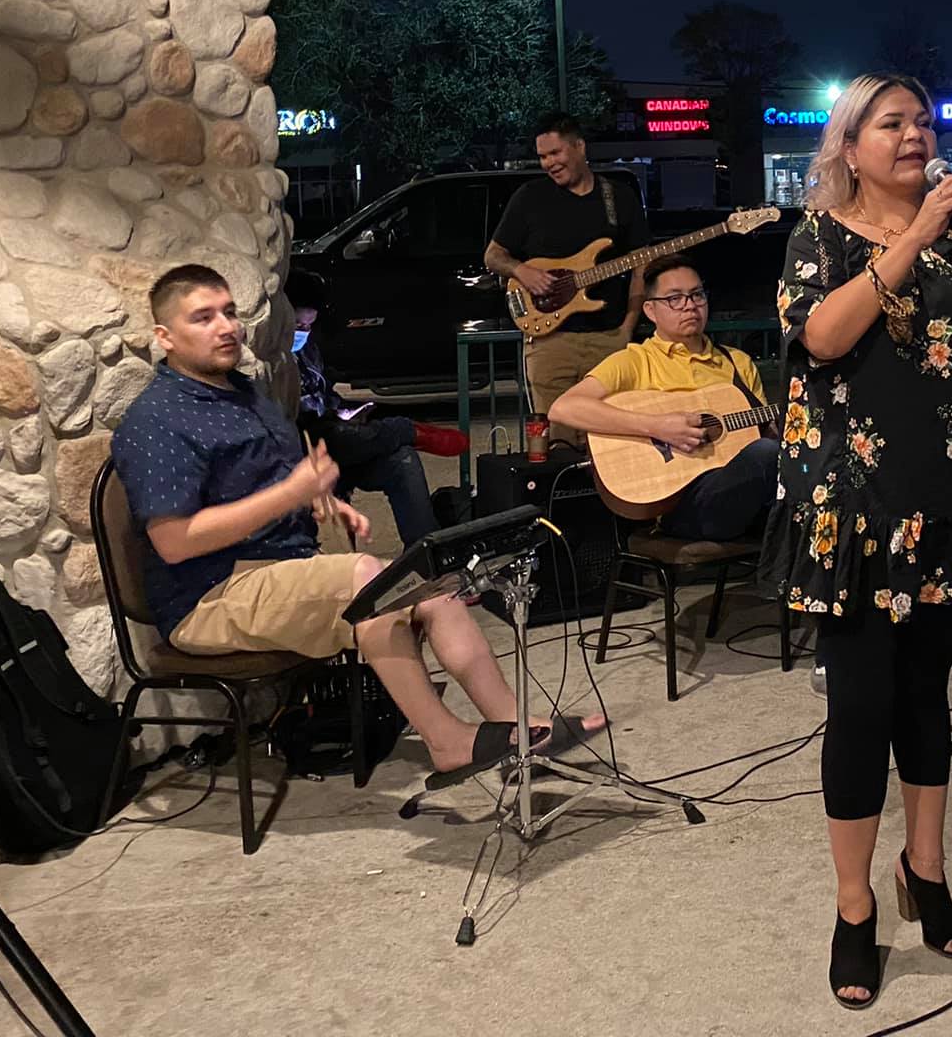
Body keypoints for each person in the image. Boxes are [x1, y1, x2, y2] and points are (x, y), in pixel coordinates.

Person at [767, 73, 952, 1009]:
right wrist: (920, 233)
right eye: (891, 123)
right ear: (849, 148)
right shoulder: (818, 236)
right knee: (860, 707)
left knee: (928, 695)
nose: (915, 134)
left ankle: (923, 869)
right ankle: (855, 907)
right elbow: (821, 336)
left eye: (923, 121)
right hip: (856, 511)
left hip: (949, 504)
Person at [111, 264, 604, 786]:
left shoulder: (241, 390)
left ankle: (517, 726)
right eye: (203, 318)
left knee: (429, 586)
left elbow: (269, 477)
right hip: (209, 595)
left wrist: (321, 500)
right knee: (372, 582)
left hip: (277, 568)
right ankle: (448, 743)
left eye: (229, 312)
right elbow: (174, 542)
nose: (226, 327)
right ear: (165, 337)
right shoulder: (157, 420)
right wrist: (289, 495)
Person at [546, 254, 779, 541]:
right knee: (768, 455)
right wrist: (657, 427)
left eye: (697, 295)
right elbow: (563, 408)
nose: (690, 305)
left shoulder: (738, 363)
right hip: (680, 505)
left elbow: (766, 436)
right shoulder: (635, 361)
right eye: (675, 299)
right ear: (650, 310)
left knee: (787, 459)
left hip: (746, 494)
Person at [482, 114, 651, 446]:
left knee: (610, 441)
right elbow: (493, 256)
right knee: (554, 442)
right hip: (549, 344)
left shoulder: (617, 198)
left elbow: (641, 266)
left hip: (608, 339)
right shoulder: (530, 197)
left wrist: (628, 327)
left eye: (555, 153)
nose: (548, 163)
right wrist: (522, 271)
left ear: (579, 146)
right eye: (543, 156)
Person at [285, 269, 469, 548]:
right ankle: (408, 430)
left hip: (335, 440)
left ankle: (426, 554)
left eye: (309, 326)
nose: (304, 332)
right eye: (298, 325)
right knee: (343, 436)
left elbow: (326, 393)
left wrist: (343, 410)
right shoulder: (270, 359)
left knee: (401, 460)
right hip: (307, 447)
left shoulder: (309, 350)